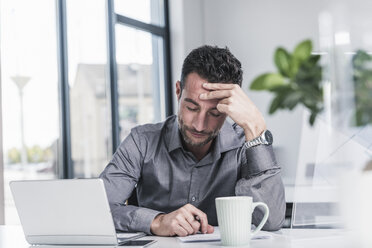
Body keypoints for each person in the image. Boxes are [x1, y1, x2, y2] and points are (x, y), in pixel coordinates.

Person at [100, 45, 286, 237]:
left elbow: (272, 221)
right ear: (178, 91)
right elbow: (97, 210)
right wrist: (157, 221)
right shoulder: (142, 142)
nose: (199, 125)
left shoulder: (244, 145)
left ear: (229, 108)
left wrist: (255, 128)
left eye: (214, 113)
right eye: (191, 107)